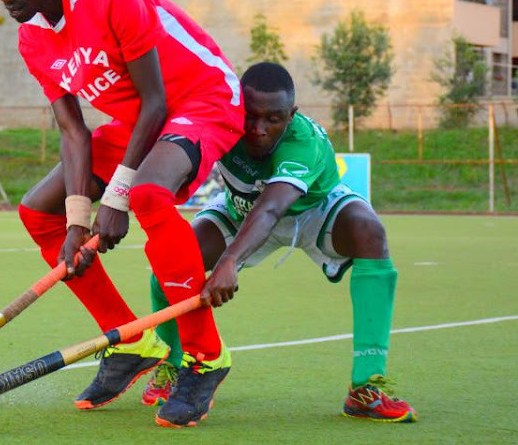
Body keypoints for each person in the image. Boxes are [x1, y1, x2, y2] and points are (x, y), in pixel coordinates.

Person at [0, 0, 244, 428]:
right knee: (39, 212)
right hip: (140, 123)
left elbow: (155, 101)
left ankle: (205, 355)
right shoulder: (33, 40)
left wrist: (117, 197)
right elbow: (74, 134)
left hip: (203, 99)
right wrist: (78, 223)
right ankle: (129, 340)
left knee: (147, 195)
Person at [143, 62, 417, 423]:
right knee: (172, 260)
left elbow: (272, 208)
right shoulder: (218, 122)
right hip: (242, 209)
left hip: (312, 210)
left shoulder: (304, 141)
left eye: (274, 119)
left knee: (370, 232)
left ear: (292, 115)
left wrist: (229, 261)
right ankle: (174, 363)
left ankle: (366, 387)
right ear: (238, 107)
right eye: (251, 117)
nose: (259, 130)